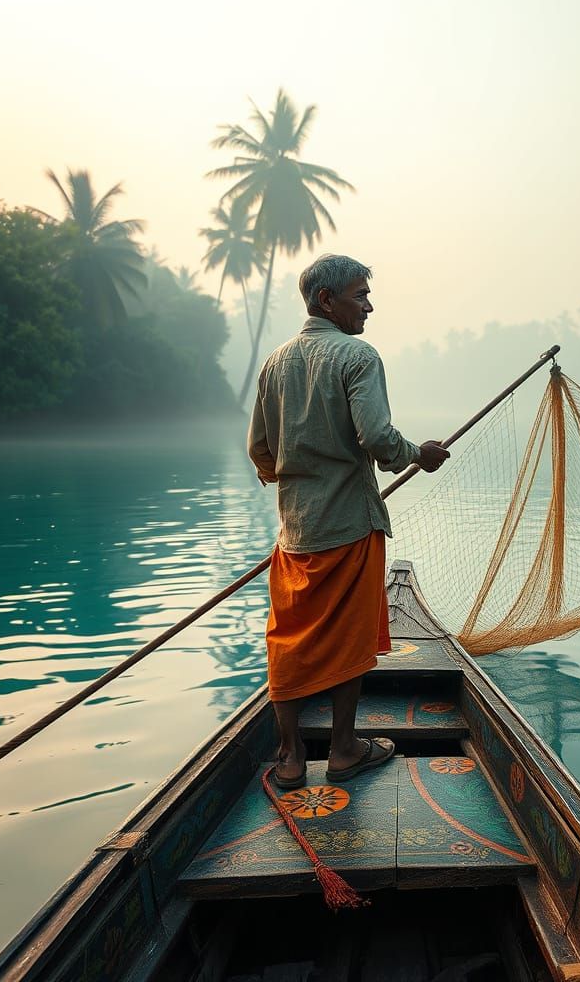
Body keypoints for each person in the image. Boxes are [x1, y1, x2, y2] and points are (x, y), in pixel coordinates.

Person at [248, 254, 449, 789]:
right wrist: (419, 455)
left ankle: (290, 757)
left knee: (287, 639)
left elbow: (260, 450)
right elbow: (378, 438)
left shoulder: (274, 363)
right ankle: (342, 750)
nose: (369, 306)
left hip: (295, 534)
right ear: (326, 300)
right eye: (360, 296)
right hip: (350, 527)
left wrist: (299, 477)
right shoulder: (358, 356)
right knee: (351, 641)